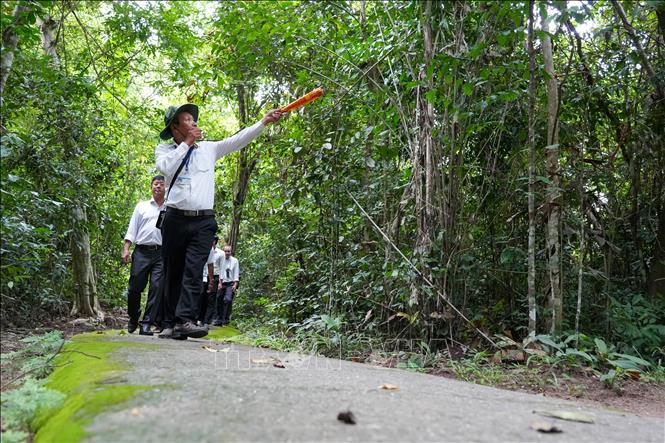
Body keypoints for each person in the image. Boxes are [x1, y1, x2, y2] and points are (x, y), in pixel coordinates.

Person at [155, 103, 282, 339]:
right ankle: (169, 323)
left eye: (193, 119)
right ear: (175, 127)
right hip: (174, 219)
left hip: (203, 222)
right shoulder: (165, 150)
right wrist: (187, 144)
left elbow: (237, 140)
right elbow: (166, 168)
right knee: (173, 272)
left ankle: (186, 320)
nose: (193, 122)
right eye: (186, 119)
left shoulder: (209, 149)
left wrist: (263, 122)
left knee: (193, 272)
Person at [121, 175, 165, 335]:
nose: (158, 186)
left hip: (161, 254)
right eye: (155, 184)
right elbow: (132, 229)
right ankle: (133, 317)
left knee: (156, 287)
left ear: (166, 188)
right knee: (134, 288)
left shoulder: (171, 208)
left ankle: (146, 323)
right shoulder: (142, 206)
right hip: (141, 252)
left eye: (161, 184)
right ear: (151, 187)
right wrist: (126, 248)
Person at [198, 236, 223, 326]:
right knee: (200, 297)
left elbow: (220, 267)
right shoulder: (200, 248)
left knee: (210, 299)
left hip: (213, 277)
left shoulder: (220, 253)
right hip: (201, 276)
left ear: (215, 242)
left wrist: (219, 281)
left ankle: (206, 320)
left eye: (213, 241)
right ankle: (198, 318)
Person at [215, 244, 240, 326]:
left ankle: (225, 318)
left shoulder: (235, 260)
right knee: (219, 299)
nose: (227, 253)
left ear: (231, 251)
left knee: (228, 300)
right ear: (223, 251)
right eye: (225, 251)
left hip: (230, 283)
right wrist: (219, 283)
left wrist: (235, 284)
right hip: (221, 282)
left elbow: (236, 272)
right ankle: (219, 319)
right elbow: (218, 271)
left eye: (228, 251)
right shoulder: (220, 259)